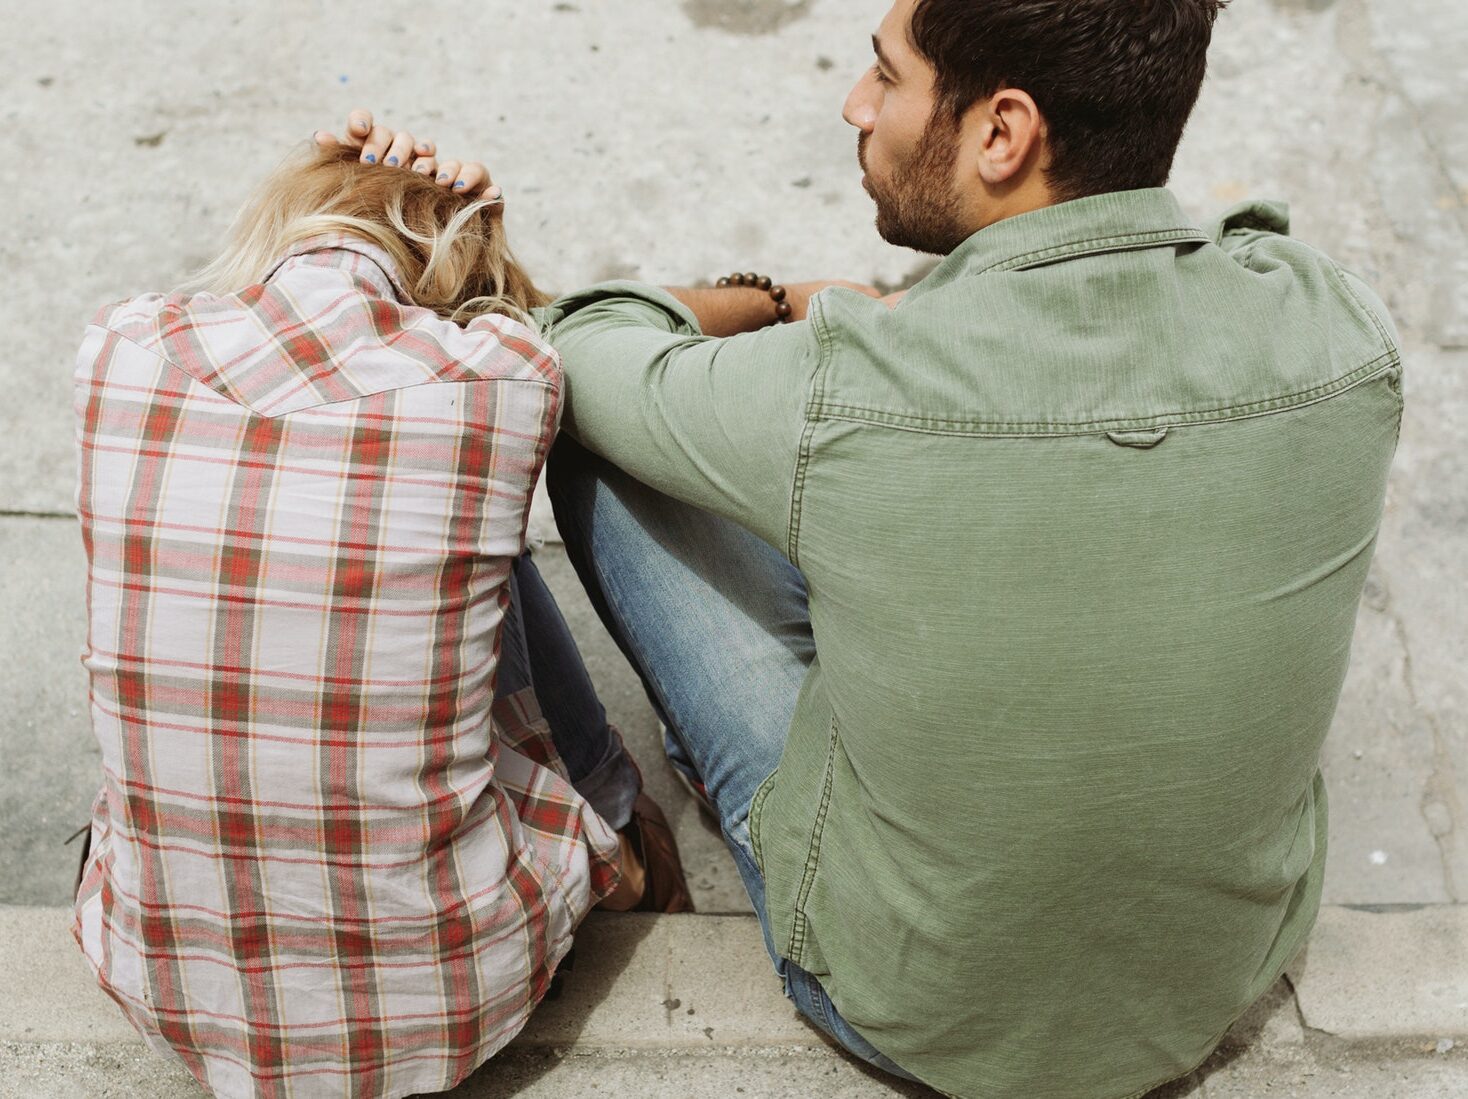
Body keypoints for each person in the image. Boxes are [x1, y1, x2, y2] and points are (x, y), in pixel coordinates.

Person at [329, 0, 1405, 1093]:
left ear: (1002, 133)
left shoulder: (850, 381)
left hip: (904, 1010)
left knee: (609, 454)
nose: (854, 105)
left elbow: (574, 346)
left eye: (884, 77)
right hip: (1210, 990)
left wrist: (784, 299)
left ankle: (655, 799)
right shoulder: (1337, 328)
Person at [71, 141, 692, 1099]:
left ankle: (614, 813)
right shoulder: (502, 380)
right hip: (450, 1004)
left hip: (168, 995)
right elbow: (522, 331)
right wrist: (468, 220)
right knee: (464, 547)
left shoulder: (120, 350)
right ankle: (625, 827)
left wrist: (328, 176)